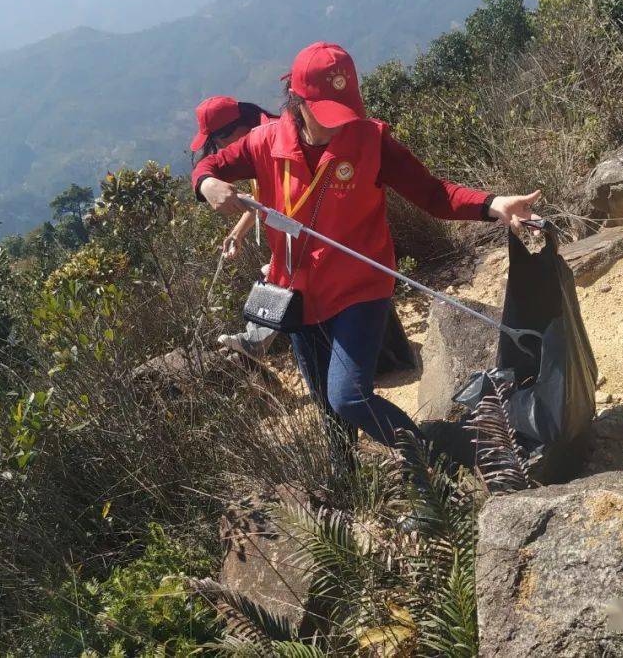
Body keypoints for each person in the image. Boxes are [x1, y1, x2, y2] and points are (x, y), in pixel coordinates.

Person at [192, 41, 542, 473]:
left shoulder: (371, 141)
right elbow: (207, 169)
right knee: (326, 402)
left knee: (349, 396)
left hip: (360, 287)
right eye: (327, 110)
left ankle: (436, 465)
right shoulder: (264, 143)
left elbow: (434, 194)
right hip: (297, 294)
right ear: (298, 101)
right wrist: (207, 187)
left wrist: (493, 204)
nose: (339, 123)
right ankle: (348, 480)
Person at [189, 95, 279, 357]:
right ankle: (255, 338)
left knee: (278, 272)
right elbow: (263, 200)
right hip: (291, 235)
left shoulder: (274, 138)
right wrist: (236, 234)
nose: (218, 150)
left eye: (216, 142)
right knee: (276, 271)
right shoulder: (254, 146)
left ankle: (255, 340)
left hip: (313, 233)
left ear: (234, 129)